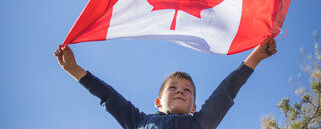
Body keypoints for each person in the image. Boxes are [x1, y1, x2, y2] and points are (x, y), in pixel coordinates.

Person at [54, 36, 277, 128]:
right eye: (173, 88)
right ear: (158, 102)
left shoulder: (200, 123)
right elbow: (108, 96)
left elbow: (227, 91)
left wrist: (255, 57)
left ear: (195, 107)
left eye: (187, 90)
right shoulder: (139, 121)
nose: (180, 91)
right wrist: (75, 70)